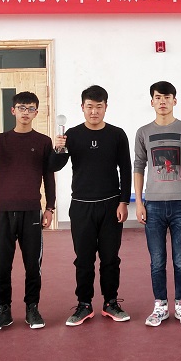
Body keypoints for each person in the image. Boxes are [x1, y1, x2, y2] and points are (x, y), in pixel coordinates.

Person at [0, 91, 56, 331]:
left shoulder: (43, 141)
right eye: (21, 108)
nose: (25, 113)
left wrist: (50, 207)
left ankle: (32, 308)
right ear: (13, 111)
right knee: (2, 265)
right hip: (4, 212)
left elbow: (48, 176)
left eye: (30, 109)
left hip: (31, 211)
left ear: (36, 113)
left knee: (33, 265)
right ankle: (3, 310)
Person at [51, 85, 132, 327]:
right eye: (89, 107)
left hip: (110, 205)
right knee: (83, 259)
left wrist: (123, 201)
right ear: (82, 108)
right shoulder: (72, 135)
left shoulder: (117, 134)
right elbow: (55, 166)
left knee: (110, 258)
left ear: (106, 107)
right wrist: (58, 148)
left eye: (98, 107)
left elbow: (126, 170)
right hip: (81, 206)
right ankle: (84, 304)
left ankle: (111, 302)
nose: (94, 111)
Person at [134, 81, 181, 327]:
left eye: (167, 97)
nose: (162, 101)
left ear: (175, 101)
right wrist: (139, 202)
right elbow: (138, 166)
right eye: (157, 97)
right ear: (152, 101)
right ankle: (160, 306)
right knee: (157, 260)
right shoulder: (143, 132)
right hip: (153, 204)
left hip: (180, 203)